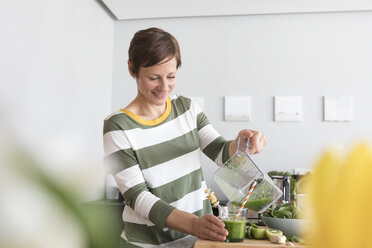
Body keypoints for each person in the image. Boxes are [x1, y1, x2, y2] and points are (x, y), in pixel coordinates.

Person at [103, 27, 267, 248]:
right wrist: (193, 224)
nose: (164, 87)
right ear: (132, 69)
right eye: (153, 78)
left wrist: (241, 145)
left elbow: (219, 152)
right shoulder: (118, 126)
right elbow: (138, 197)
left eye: (171, 76)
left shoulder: (187, 108)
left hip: (196, 242)